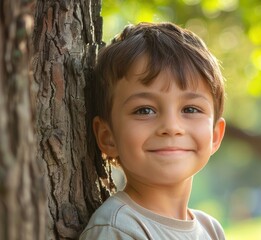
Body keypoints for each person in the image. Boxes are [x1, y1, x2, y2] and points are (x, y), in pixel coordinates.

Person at [80, 22, 226, 240]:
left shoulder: (210, 230)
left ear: (215, 136)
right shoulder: (118, 229)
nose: (171, 127)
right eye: (145, 110)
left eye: (190, 109)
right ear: (107, 136)